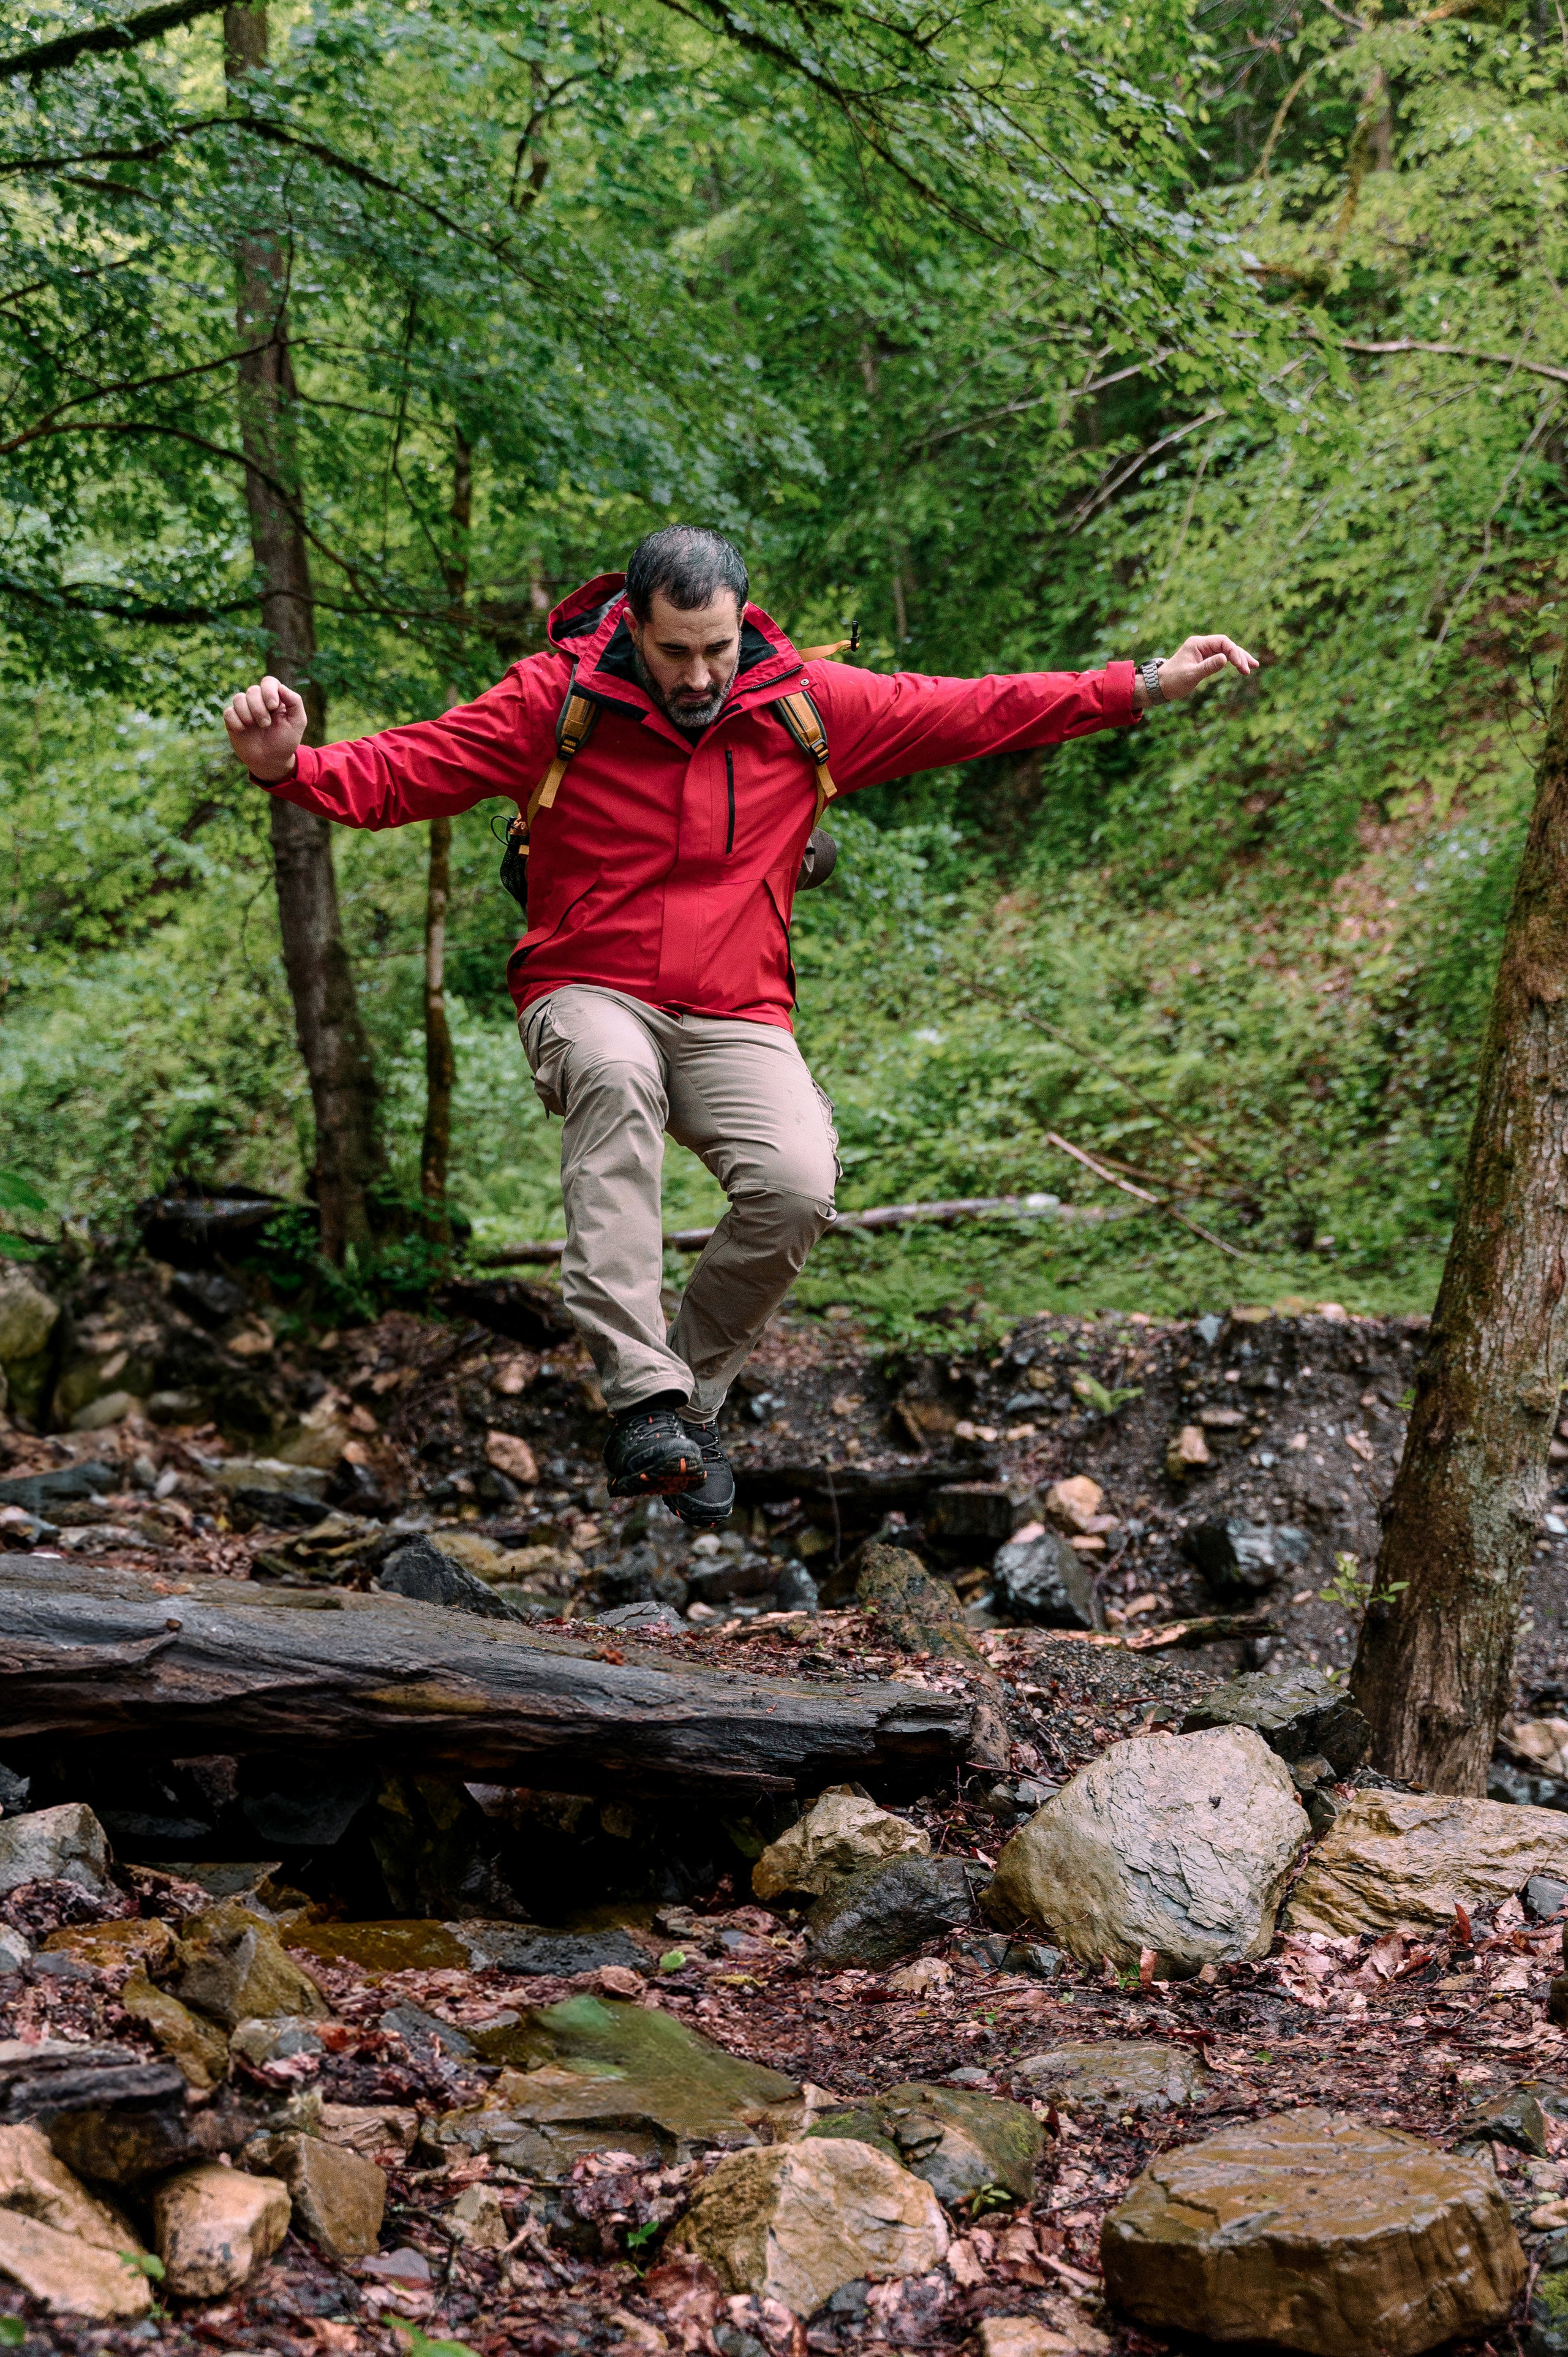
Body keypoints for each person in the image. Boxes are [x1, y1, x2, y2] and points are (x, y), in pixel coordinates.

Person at [225, 524, 1257, 1525]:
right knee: (618, 1080)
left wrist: (1147, 682)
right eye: (676, 651)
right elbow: (406, 770)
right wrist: (288, 767)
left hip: (735, 1008)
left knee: (800, 1183)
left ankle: (686, 1405)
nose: (699, 673)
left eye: (716, 647)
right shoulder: (557, 702)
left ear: (741, 623)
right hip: (587, 987)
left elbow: (977, 709)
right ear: (633, 624)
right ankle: (640, 1395)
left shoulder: (802, 705)